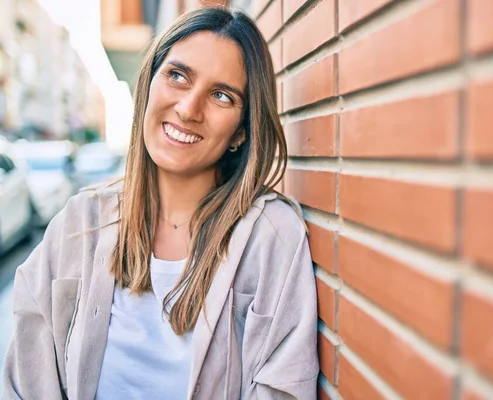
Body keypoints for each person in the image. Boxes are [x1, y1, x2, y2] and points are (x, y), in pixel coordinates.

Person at [2, 6, 318, 400]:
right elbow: (25, 383)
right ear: (149, 84)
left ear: (242, 131)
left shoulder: (270, 237)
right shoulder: (79, 223)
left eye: (221, 95)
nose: (188, 109)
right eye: (177, 76)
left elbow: (283, 388)